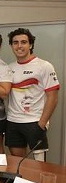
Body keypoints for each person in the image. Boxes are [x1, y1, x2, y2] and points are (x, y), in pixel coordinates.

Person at [6, 28, 60, 160]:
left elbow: (53, 98)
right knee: (18, 163)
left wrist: (42, 123)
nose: (19, 46)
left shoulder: (44, 66)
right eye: (15, 42)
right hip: (13, 121)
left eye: (23, 42)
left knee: (40, 166)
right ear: (11, 46)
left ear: (30, 44)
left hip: (35, 122)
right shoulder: (10, 67)